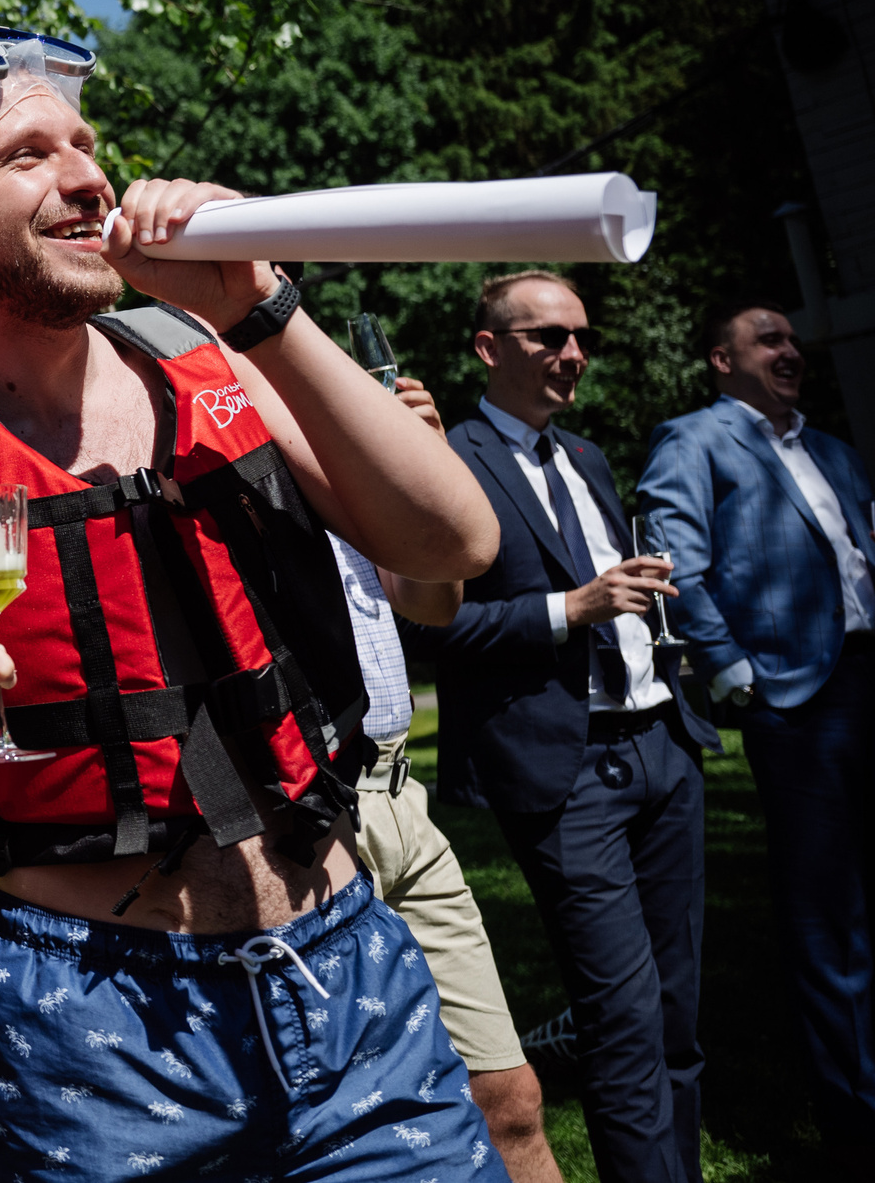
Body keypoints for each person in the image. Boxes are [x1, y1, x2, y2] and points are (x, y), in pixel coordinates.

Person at [0, 24, 507, 1180]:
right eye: (28, 154)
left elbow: (454, 542)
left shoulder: (226, 360)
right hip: (96, 1029)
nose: (88, 176)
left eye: (86, 144)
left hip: (348, 967)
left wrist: (261, 306)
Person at [411, 268, 716, 1183]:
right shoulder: (448, 459)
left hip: (663, 744)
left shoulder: (584, 456)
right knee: (622, 1021)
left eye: (581, 336)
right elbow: (433, 628)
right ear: (489, 348)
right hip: (564, 769)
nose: (573, 353)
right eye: (549, 336)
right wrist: (570, 608)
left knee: (677, 1013)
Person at [639, 300, 875, 1173]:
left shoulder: (834, 449)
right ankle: (858, 1118)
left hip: (868, 674)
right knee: (828, 912)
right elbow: (678, 565)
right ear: (721, 359)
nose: (791, 349)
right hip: (799, 699)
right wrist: (739, 676)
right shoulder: (693, 440)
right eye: (768, 338)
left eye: (793, 338)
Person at [331, 372, 560, 1183]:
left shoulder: (333, 412)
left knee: (510, 1097)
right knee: (351, 1130)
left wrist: (421, 464)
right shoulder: (192, 416)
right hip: (310, 816)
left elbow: (431, 603)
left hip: (402, 798)